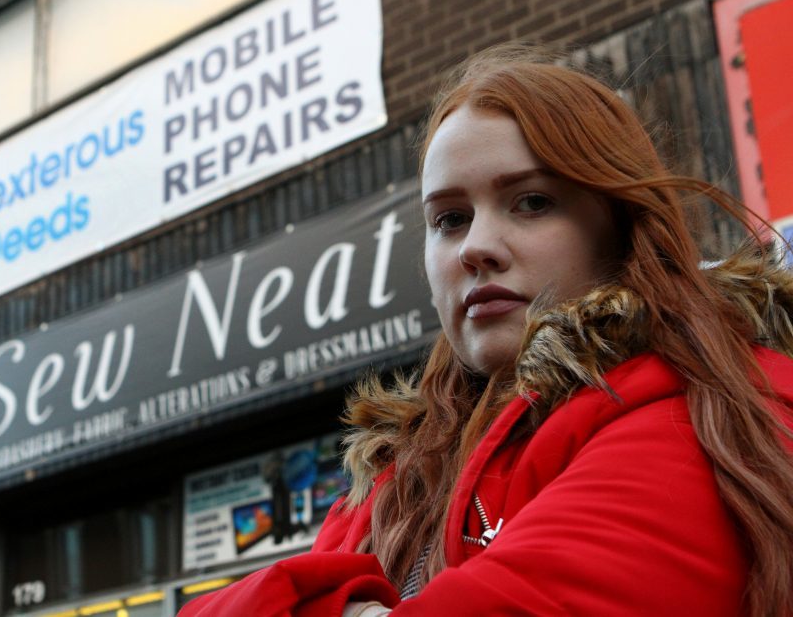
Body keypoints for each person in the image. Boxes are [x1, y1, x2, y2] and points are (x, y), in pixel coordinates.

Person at [177, 45, 793, 616]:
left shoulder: (708, 408)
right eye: (449, 218)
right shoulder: (401, 466)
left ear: (622, 227)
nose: (476, 247)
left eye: (531, 202)